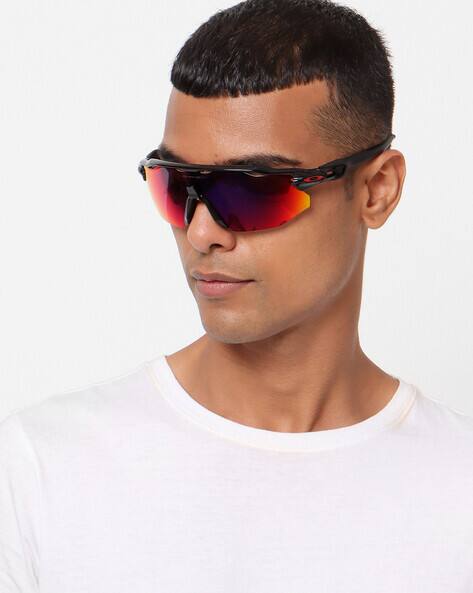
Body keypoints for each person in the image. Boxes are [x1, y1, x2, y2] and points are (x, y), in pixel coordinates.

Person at [1, 0, 472, 591]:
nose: (202, 233)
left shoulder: (459, 493)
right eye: (176, 185)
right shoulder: (41, 470)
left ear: (377, 190)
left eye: (253, 191)